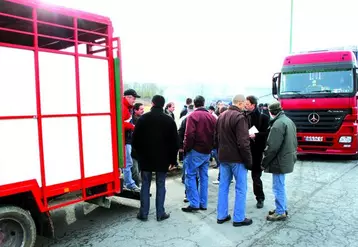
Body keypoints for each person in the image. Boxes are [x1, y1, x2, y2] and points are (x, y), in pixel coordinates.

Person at [132, 95, 179, 222]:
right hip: (162, 159)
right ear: (163, 105)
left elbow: (135, 139)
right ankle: (160, 213)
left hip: (145, 158)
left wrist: (138, 155)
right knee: (160, 184)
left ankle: (143, 213)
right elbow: (175, 142)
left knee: (145, 185)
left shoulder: (143, 119)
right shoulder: (169, 120)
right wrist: (172, 160)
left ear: (152, 103)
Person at [215, 94, 253, 227]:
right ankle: (238, 218)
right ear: (241, 103)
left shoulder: (221, 116)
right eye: (244, 104)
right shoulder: (240, 117)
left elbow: (216, 138)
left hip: (223, 157)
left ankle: (221, 215)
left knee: (223, 187)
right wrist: (249, 161)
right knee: (241, 188)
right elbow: (243, 142)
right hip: (237, 159)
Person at [261, 101, 297, 221]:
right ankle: (282, 208)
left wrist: (264, 162)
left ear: (271, 112)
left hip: (279, 160)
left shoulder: (277, 125)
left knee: (278, 187)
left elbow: (272, 148)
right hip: (286, 158)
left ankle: (280, 211)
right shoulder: (288, 121)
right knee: (280, 184)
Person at [182, 95, 216, 212]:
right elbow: (216, 135)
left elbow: (189, 135)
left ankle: (194, 203)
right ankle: (203, 203)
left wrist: (186, 148)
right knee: (204, 177)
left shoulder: (192, 116)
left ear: (195, 104)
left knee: (190, 176)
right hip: (207, 151)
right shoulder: (212, 117)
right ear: (204, 103)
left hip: (195, 150)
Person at [245, 96, 269, 209]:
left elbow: (266, 134)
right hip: (244, 150)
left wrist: (256, 135)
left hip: (257, 151)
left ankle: (260, 198)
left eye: (247, 104)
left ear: (253, 105)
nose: (245, 105)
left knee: (256, 177)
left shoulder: (263, 117)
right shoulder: (243, 116)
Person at [122, 89, 141, 192]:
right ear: (128, 97)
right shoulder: (124, 108)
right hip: (125, 140)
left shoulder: (128, 108)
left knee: (127, 163)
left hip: (127, 139)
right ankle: (129, 184)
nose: (134, 100)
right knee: (127, 163)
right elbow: (120, 124)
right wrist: (133, 127)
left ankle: (127, 183)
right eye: (133, 98)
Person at [131, 102, 145, 187]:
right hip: (134, 149)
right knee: (135, 170)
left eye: (143, 109)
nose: (143, 111)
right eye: (141, 109)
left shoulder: (141, 118)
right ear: (135, 110)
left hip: (139, 149)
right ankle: (136, 186)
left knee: (138, 169)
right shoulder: (134, 120)